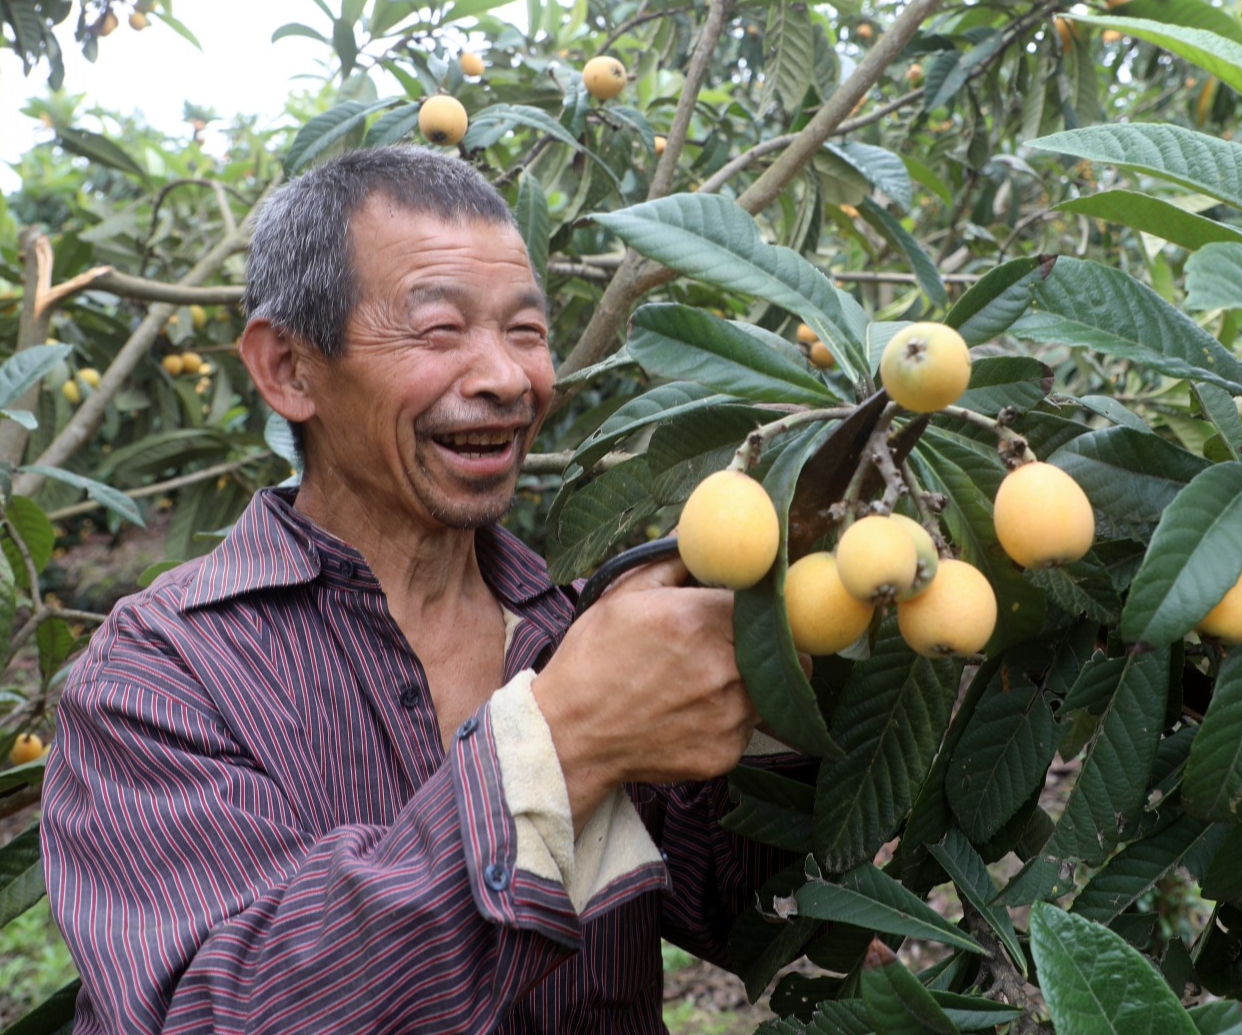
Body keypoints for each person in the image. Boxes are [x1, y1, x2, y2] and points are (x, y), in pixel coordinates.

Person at [40, 145, 806, 1033]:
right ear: (288, 368)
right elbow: (219, 1014)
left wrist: (788, 664)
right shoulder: (160, 675)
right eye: (439, 330)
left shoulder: (575, 622)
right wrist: (561, 748)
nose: (508, 377)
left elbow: (741, 907)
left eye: (526, 330)